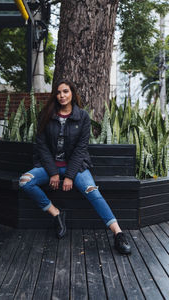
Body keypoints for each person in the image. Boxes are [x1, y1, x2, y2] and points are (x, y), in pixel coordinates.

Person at [19, 79, 131, 255]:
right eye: (58, 92)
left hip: (76, 168)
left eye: (65, 91)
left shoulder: (83, 116)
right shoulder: (46, 115)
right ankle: (56, 213)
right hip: (49, 167)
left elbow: (81, 149)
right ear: (55, 95)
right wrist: (54, 173)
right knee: (25, 182)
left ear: (72, 93)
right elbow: (41, 146)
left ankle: (118, 234)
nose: (62, 96)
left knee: (92, 190)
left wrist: (69, 176)